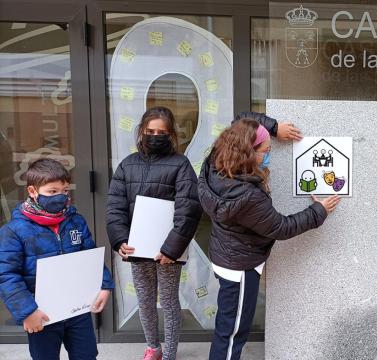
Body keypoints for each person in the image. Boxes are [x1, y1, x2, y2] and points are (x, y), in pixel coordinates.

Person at [198, 118, 340, 360]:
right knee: (232, 333)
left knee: (227, 326)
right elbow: (281, 227)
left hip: (226, 253)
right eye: (265, 151)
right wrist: (319, 211)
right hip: (240, 267)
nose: (268, 156)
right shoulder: (247, 197)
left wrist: (274, 128)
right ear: (247, 152)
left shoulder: (216, 164)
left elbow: (241, 118)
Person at [106, 106, 202, 360]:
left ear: (171, 134)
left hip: (168, 250)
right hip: (138, 247)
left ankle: (169, 353)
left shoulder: (181, 164)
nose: (155, 135)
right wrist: (119, 240)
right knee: (145, 301)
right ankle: (153, 348)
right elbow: (115, 206)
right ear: (141, 131)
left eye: (161, 132)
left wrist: (173, 248)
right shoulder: (128, 165)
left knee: (169, 302)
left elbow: (189, 208)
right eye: (150, 131)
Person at [0, 158, 114, 360]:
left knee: (87, 355)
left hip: (77, 309)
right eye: (52, 191)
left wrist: (104, 285)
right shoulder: (14, 231)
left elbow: (90, 255)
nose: (60, 196)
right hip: (41, 313)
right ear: (33, 192)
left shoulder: (75, 221)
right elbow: (6, 275)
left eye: (64, 191)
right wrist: (27, 312)